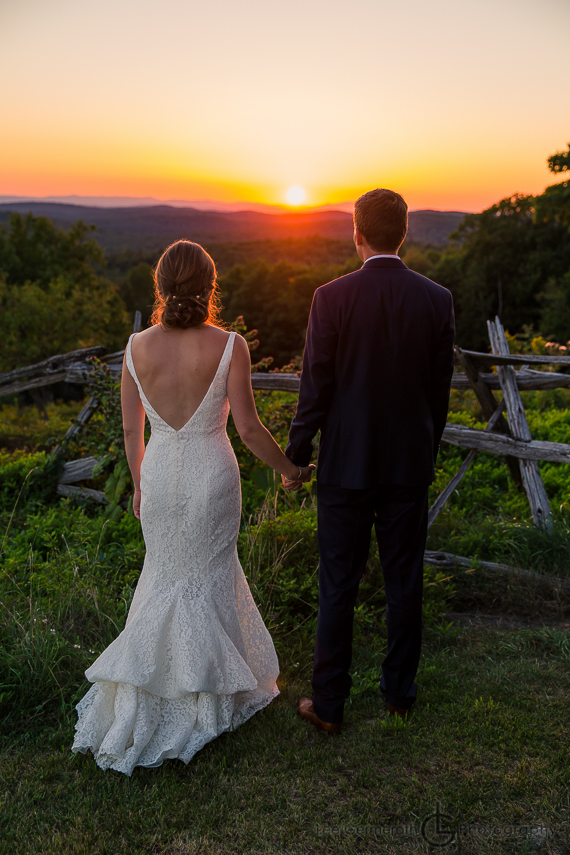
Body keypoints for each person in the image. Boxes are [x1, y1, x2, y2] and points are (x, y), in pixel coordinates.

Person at [72, 240, 314, 775]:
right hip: (212, 475)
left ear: (159, 286)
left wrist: (139, 484)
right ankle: (208, 699)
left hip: (159, 476)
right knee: (207, 577)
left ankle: (159, 691)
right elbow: (247, 428)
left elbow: (132, 430)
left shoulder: (136, 348)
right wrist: (290, 468)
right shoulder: (230, 345)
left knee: (164, 578)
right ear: (210, 286)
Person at [283, 188, 455, 734]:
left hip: (345, 466)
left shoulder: (330, 297)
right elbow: (438, 391)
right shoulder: (437, 299)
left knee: (339, 582)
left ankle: (329, 703)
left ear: (356, 232)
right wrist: (425, 449)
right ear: (403, 233)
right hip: (408, 464)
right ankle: (399, 694)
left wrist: (298, 452)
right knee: (405, 580)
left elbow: (317, 386)